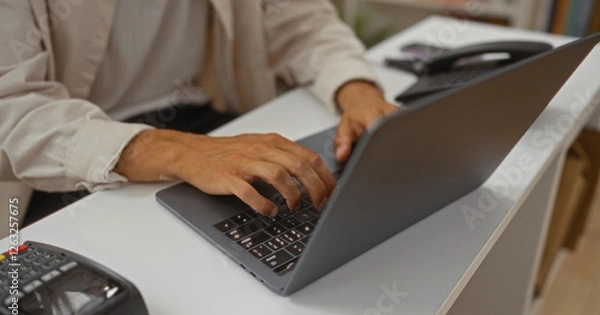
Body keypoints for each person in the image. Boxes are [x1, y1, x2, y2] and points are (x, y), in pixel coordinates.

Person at [0, 0, 397, 223]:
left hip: (198, 123)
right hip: (69, 161)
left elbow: (299, 20)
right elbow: (12, 104)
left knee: (301, 220)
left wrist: (355, 89)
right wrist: (177, 153)